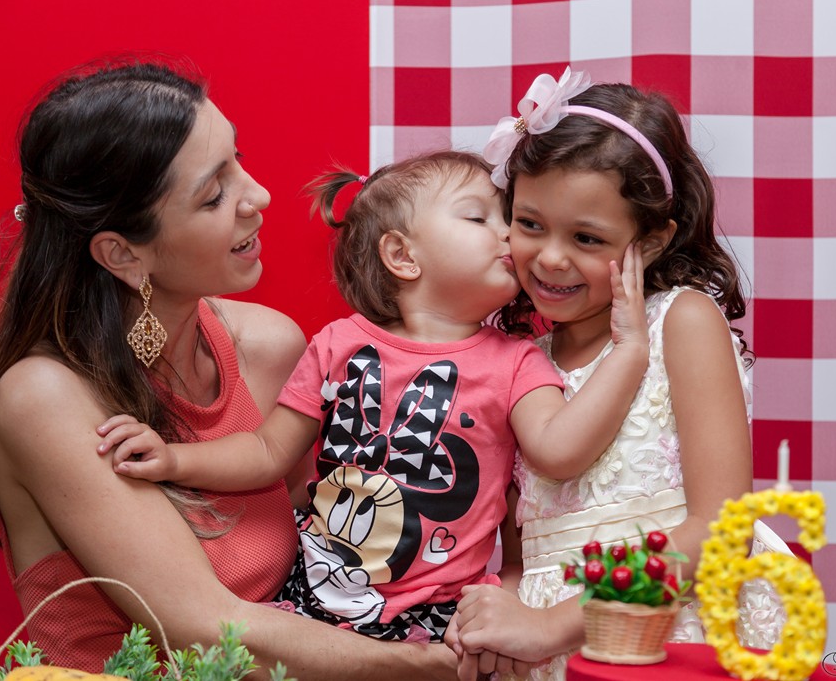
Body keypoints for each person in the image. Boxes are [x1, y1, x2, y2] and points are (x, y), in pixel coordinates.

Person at [0, 56, 464, 679]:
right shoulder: (46, 397)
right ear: (123, 253)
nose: (259, 196)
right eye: (213, 194)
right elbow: (203, 628)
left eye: (239, 159)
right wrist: (429, 667)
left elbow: (331, 547)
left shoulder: (270, 344)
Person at [95, 149, 651, 646]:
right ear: (403, 256)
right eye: (480, 218)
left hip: (440, 622)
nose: (509, 234)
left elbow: (558, 450)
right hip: (311, 594)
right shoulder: (338, 344)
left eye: (507, 219)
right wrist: (174, 458)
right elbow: (267, 453)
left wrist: (628, 351)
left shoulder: (517, 361)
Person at [445, 69, 788, 680]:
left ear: (651, 239)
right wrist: (499, 615)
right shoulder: (519, 363)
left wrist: (553, 624)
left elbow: (720, 527)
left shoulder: (678, 324)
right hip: (549, 651)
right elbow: (528, 552)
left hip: (664, 627)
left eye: (586, 237)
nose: (550, 257)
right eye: (529, 223)